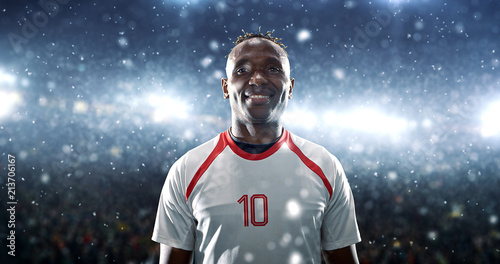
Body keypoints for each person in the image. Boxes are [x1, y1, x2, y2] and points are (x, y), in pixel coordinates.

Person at [152, 30, 361, 264]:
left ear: (290, 87)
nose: (258, 78)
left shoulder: (325, 164)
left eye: (273, 69)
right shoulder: (187, 169)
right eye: (242, 70)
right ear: (225, 87)